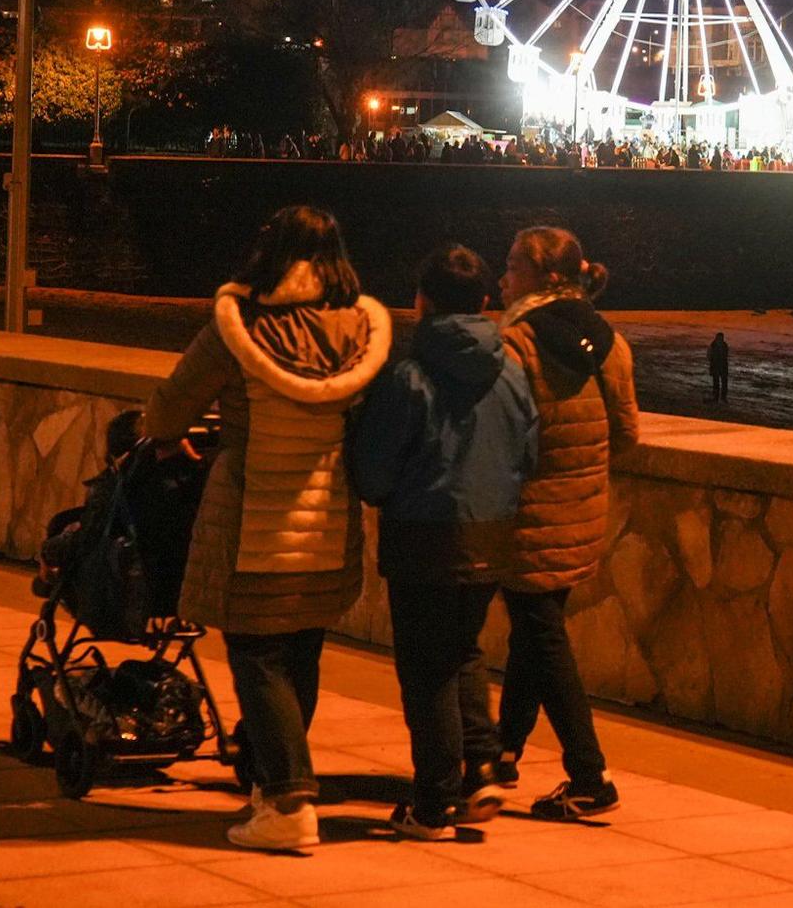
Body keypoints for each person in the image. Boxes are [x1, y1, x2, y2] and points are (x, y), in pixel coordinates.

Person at [141, 205, 391, 851]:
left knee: (256, 653)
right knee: (300, 649)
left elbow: (170, 407)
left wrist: (165, 440)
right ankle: (272, 784)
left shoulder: (237, 327)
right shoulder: (359, 329)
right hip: (329, 520)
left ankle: (287, 801)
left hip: (255, 522)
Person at [348, 244, 537, 840]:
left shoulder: (409, 376)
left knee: (427, 669)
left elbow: (375, 471)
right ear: (485, 302)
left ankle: (432, 802)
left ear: (421, 302)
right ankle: (480, 767)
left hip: (423, 535)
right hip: (491, 529)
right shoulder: (510, 371)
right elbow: (528, 454)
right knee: (464, 650)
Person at [491, 226, 639, 819]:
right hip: (582, 509)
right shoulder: (609, 341)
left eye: (511, 266)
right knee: (538, 624)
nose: (502, 278)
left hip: (528, 512)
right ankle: (503, 750)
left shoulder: (517, 343)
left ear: (545, 278)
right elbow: (626, 434)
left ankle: (588, 775)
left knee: (542, 633)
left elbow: (500, 435)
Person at [706, 332, 730, 403]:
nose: (720, 339)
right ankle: (716, 397)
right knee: (716, 383)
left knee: (724, 383)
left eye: (721, 338)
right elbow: (709, 356)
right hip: (716, 366)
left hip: (723, 366)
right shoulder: (712, 346)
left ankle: (723, 397)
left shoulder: (724, 345)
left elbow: (726, 356)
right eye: (719, 338)